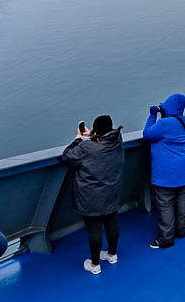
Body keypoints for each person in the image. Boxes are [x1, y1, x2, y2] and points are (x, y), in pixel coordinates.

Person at [60, 115, 124, 274]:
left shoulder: (86, 147)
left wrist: (78, 139)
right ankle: (112, 255)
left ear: (97, 131)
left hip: (91, 197)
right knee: (111, 222)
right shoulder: (117, 139)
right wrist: (92, 134)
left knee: (94, 229)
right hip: (112, 192)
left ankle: (95, 265)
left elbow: (67, 155)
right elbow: (104, 139)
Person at [144, 94, 185, 249]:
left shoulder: (165, 123)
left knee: (165, 204)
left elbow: (148, 135)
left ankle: (165, 238)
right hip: (183, 169)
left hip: (166, 172)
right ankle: (181, 230)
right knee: (181, 199)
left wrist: (153, 115)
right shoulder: (182, 120)